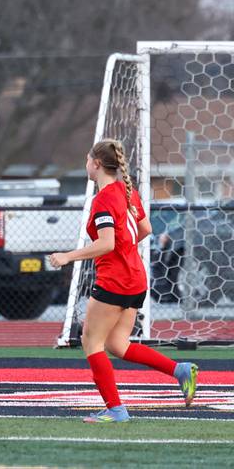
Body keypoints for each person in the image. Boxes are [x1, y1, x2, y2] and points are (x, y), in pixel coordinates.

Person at [49, 139, 198, 423]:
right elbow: (145, 229)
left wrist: (69, 256)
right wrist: (123, 248)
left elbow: (106, 243)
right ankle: (180, 370)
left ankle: (116, 410)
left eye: (87, 160)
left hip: (116, 280)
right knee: (118, 345)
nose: (86, 164)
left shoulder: (103, 199)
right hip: (136, 278)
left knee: (91, 342)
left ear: (95, 164)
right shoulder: (125, 191)